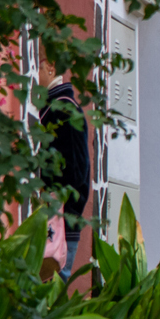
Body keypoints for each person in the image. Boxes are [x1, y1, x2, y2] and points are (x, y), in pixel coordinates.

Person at [40, 76, 91, 281]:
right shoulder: (57, 107)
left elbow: (75, 171)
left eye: (40, 62)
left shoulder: (61, 110)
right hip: (62, 219)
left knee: (50, 291)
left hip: (59, 222)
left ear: (51, 66)